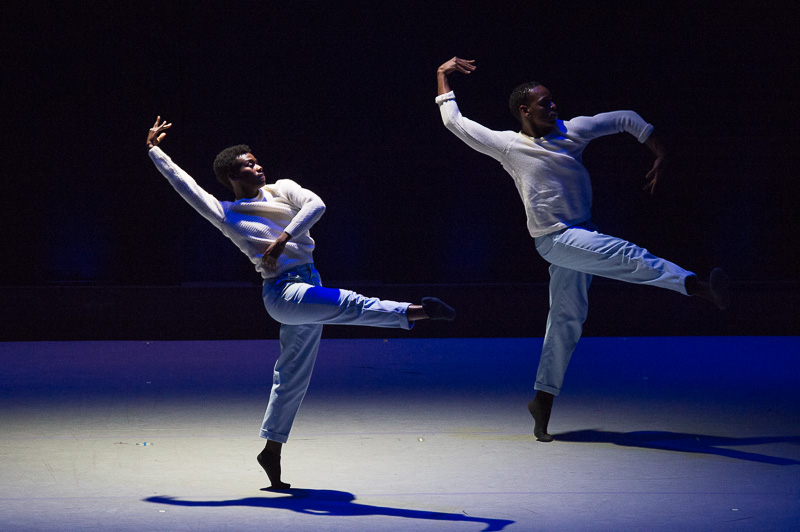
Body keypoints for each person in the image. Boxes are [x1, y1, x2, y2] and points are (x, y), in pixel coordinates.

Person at [145, 117, 455, 488]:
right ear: (232, 175)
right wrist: (154, 150)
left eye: (257, 161)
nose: (258, 166)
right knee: (349, 303)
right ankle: (415, 312)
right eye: (248, 164)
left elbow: (317, 206)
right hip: (284, 294)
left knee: (292, 378)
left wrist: (281, 240)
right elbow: (187, 187)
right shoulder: (226, 212)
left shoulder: (283, 189)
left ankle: (271, 450)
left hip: (310, 282)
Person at [434, 57, 728, 443]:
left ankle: (542, 400)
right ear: (524, 110)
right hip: (555, 240)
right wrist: (442, 77)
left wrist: (660, 152)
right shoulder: (509, 146)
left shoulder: (573, 132)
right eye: (545, 103)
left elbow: (624, 117)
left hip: (580, 235)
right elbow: (456, 122)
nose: (553, 107)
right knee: (627, 254)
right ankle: (698, 287)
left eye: (553, 100)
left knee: (566, 322)